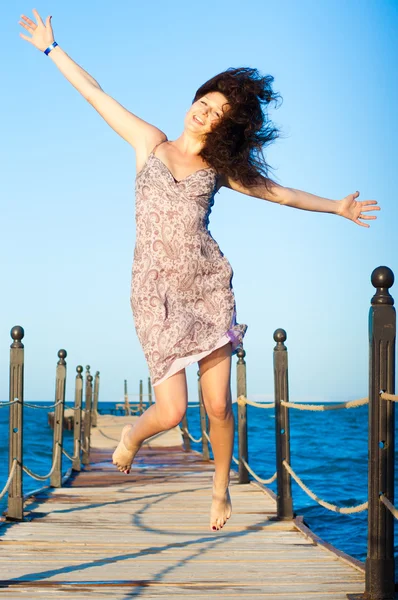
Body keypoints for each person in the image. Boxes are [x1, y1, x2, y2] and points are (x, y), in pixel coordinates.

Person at [19, 9, 380, 532]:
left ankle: (219, 492)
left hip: (208, 288)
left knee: (218, 407)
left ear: (224, 127)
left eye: (215, 114)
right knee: (171, 413)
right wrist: (54, 51)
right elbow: (97, 95)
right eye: (203, 103)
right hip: (155, 293)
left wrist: (337, 207)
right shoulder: (151, 143)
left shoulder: (220, 170)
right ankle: (131, 436)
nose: (202, 114)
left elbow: (281, 194)